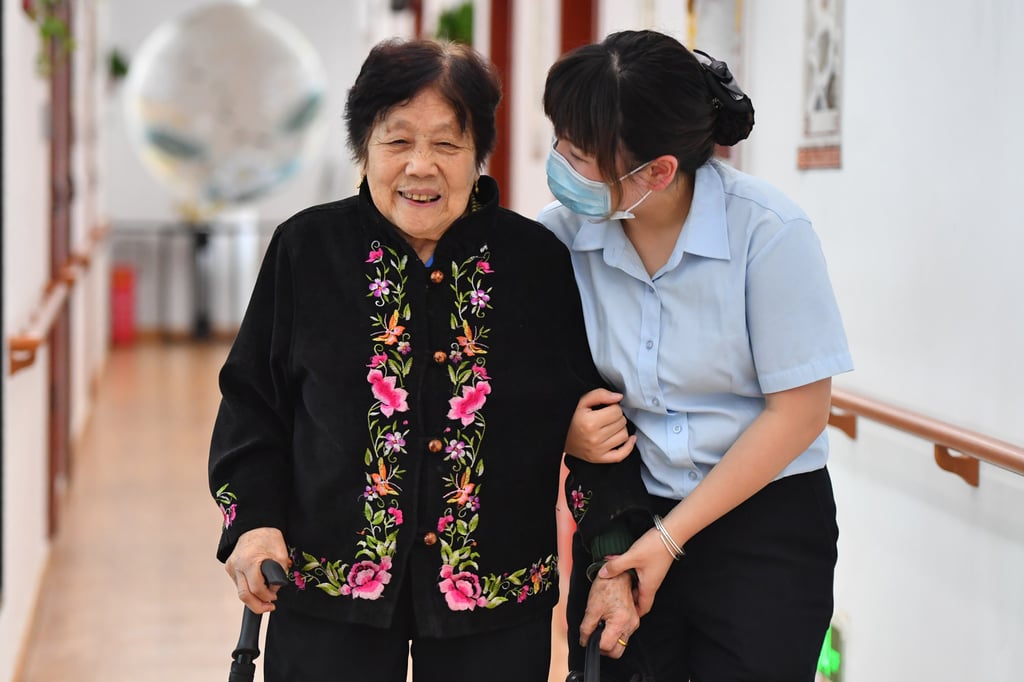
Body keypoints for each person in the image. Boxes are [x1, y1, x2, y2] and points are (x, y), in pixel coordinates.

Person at [209, 37, 613, 682]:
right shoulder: (306, 250)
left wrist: (612, 561)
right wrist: (254, 524)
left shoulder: (535, 263)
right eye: (397, 141)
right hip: (328, 594)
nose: (420, 166)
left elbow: (596, 426)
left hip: (494, 601)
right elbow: (253, 405)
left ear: (479, 154)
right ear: (364, 148)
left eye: (447, 144)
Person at [538, 30, 855, 682]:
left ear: (658, 172)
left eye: (582, 156)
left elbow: (799, 413)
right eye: (561, 144)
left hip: (761, 525)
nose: (561, 166)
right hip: (626, 508)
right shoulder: (558, 240)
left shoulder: (767, 233)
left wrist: (671, 537)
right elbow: (534, 378)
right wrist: (564, 428)